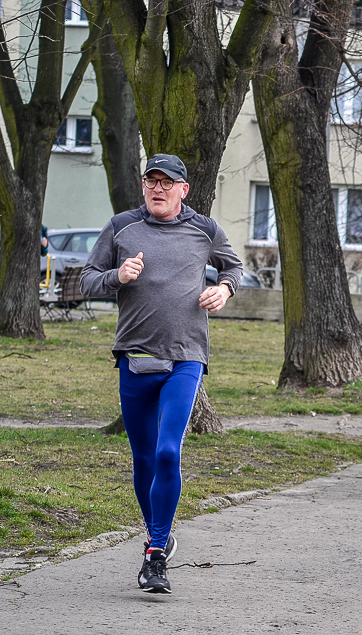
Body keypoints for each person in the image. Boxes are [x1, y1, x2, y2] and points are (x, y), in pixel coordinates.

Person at [80, 154, 242, 595]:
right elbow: (86, 281)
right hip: (134, 357)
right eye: (151, 180)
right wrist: (118, 274)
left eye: (167, 182)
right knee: (145, 459)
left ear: (183, 189)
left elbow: (233, 266)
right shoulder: (121, 227)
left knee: (169, 452)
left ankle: (154, 555)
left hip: (186, 358)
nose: (158, 188)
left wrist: (223, 288)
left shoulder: (205, 229)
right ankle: (160, 532)